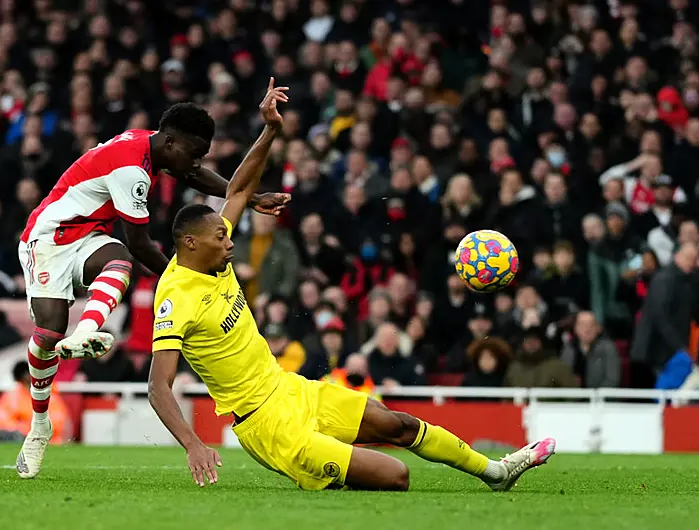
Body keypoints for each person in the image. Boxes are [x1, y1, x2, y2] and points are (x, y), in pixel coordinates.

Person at [147, 80, 555, 492]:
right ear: (190, 243)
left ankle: (496, 472)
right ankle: (322, 466)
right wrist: (193, 444)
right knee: (396, 476)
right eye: (221, 237)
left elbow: (237, 189)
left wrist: (270, 129)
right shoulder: (175, 296)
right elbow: (157, 387)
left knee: (396, 423)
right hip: (266, 424)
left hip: (291, 389)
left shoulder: (213, 254)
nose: (231, 240)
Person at [15, 87, 291, 479]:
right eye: (193, 152)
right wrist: (181, 281)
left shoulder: (150, 144)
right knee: (47, 334)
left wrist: (251, 197)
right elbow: (142, 242)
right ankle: (40, 424)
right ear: (171, 142)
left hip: (89, 234)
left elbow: (192, 174)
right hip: (46, 239)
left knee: (118, 261)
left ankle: (88, 331)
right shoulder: (132, 169)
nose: (196, 162)